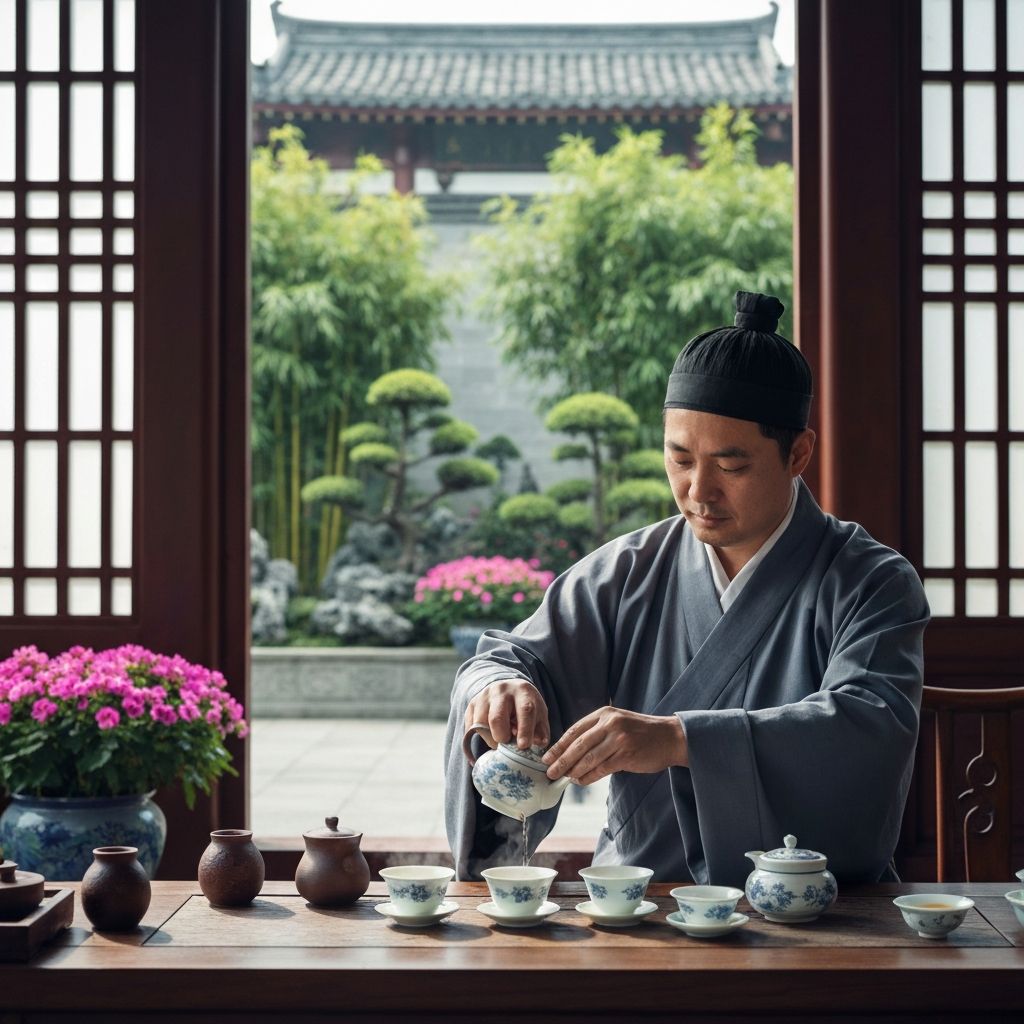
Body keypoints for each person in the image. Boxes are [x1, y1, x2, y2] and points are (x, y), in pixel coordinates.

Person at [443, 291, 929, 887]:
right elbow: (507, 656)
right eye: (679, 460)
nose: (699, 491)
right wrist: (499, 685)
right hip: (635, 899)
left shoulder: (871, 582)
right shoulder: (626, 572)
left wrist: (680, 740)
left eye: (731, 467)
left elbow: (866, 726)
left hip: (812, 911)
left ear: (798, 453)